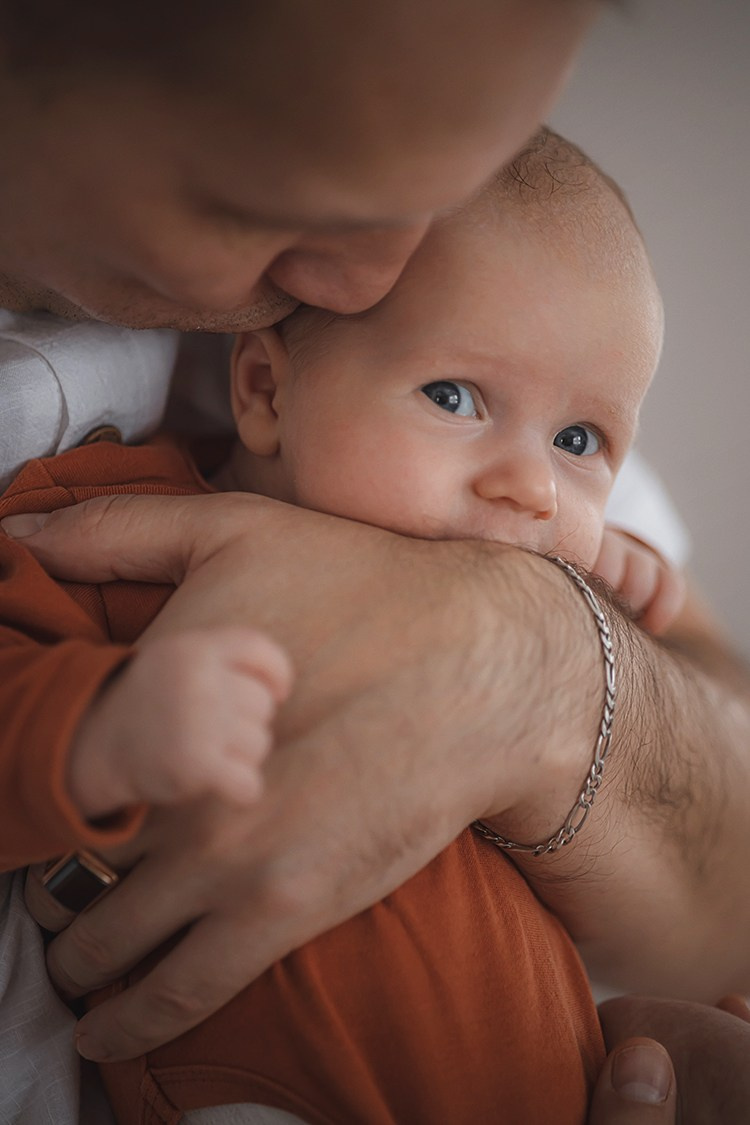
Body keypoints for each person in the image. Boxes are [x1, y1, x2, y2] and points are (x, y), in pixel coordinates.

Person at [1, 0, 749, 1120]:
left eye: (583, 443)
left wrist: (576, 657)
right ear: (264, 388)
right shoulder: (121, 497)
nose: (371, 282)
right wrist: (101, 727)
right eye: (277, 196)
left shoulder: (504, 385)